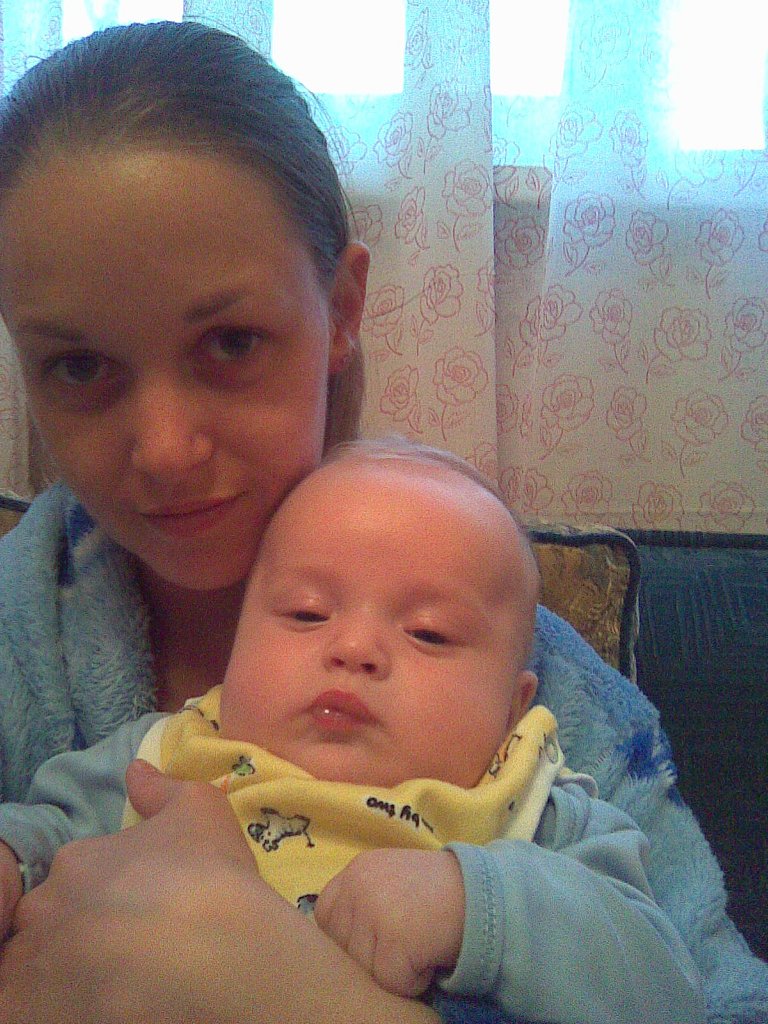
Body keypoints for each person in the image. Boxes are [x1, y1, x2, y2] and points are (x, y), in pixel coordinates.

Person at [0, 19, 764, 1024]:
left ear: (343, 308)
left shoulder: (542, 727)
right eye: (80, 366)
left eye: (230, 343)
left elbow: (700, 994)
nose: (167, 448)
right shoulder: (83, 695)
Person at [0, 440, 705, 1022]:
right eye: (307, 613)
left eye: (429, 632)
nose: (354, 647)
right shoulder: (167, 756)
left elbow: (666, 988)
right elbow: (44, 831)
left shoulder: (536, 810)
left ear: (515, 709)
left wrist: (474, 906)